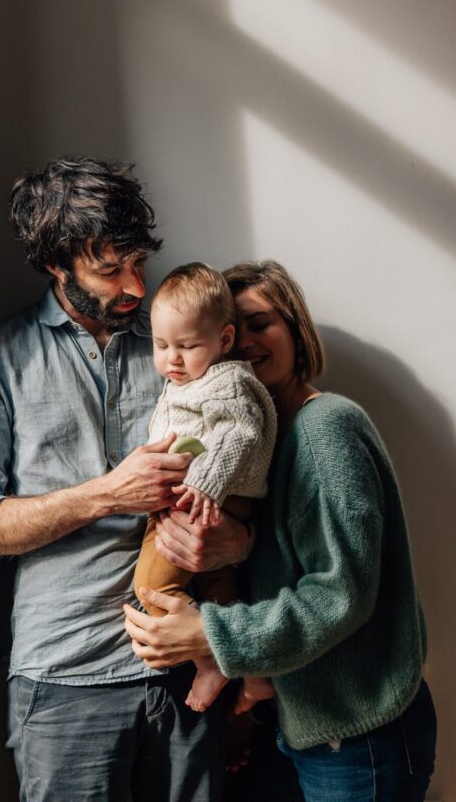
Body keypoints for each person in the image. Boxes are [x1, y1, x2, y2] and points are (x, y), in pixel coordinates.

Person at [0, 157, 250, 802]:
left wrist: (232, 542)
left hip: (187, 667)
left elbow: (242, 489)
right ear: (55, 263)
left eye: (138, 263)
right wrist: (107, 494)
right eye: (109, 269)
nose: (134, 286)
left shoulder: (179, 344)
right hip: (64, 677)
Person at [125, 260, 437, 802]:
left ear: (297, 330)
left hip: (357, 730)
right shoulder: (275, 441)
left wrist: (210, 636)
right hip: (304, 722)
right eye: (233, 327)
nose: (243, 341)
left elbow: (341, 591)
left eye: (260, 323)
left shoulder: (324, 428)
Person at [135, 261, 277, 713]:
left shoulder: (228, 382)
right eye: (161, 346)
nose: (172, 359)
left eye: (187, 346)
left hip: (203, 502)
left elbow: (240, 434)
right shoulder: (184, 383)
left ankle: (209, 659)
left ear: (225, 341)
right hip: (200, 504)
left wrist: (205, 482)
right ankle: (254, 674)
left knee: (151, 588)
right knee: (221, 590)